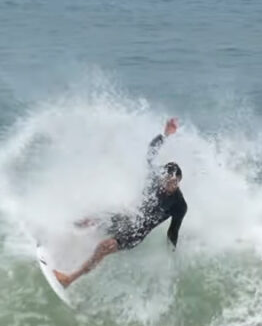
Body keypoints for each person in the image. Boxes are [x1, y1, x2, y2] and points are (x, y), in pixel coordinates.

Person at [54, 118, 188, 288]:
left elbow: (173, 232)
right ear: (162, 176)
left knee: (104, 247)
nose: (170, 185)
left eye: (175, 183)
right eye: (168, 181)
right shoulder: (155, 177)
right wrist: (165, 134)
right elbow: (151, 152)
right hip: (129, 216)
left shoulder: (179, 205)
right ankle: (58, 236)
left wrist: (171, 258)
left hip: (136, 232)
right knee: (92, 217)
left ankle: (69, 279)